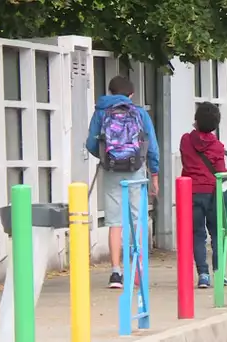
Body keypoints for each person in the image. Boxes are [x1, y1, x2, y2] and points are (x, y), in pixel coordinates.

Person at [86, 76, 159, 289]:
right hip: (136, 169)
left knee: (114, 222)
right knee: (137, 218)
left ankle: (116, 273)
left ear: (110, 92)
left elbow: (91, 142)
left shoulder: (101, 112)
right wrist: (154, 172)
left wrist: (105, 156)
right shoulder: (139, 113)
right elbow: (151, 145)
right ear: (131, 95)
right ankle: (138, 269)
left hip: (111, 170)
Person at [179, 102, 227, 288]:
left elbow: (186, 158)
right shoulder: (218, 146)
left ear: (196, 120)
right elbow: (220, 172)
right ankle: (220, 273)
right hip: (213, 193)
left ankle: (203, 275)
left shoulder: (186, 140)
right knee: (216, 234)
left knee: (197, 234)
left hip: (191, 193)